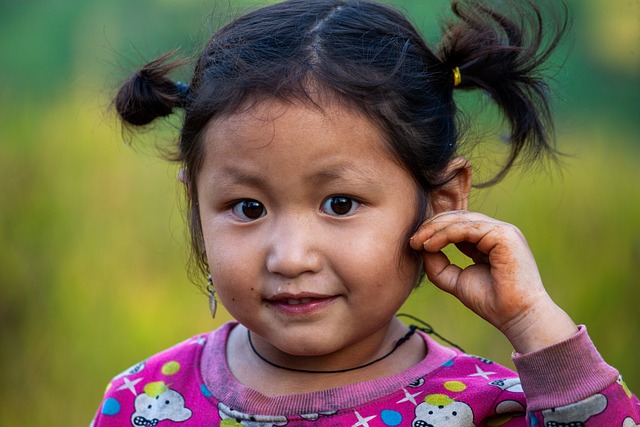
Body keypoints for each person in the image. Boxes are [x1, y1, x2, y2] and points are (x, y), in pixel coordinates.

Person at [91, 0, 639, 426]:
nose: (291, 257)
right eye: (247, 208)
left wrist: (534, 325)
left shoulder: (489, 409)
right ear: (196, 206)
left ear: (442, 202)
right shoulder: (148, 401)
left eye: (340, 204)